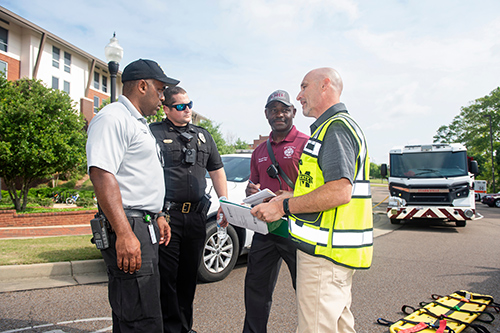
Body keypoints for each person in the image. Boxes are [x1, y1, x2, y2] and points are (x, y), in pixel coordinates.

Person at [250, 68, 373, 333]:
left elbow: (339, 191)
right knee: (338, 325)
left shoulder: (335, 129)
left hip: (324, 253)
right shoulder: (333, 127)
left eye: (304, 87)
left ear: (325, 85)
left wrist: (282, 206)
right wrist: (291, 195)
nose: (299, 95)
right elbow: (325, 185)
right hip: (333, 253)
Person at [86, 58, 179, 332]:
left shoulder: (137, 123)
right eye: (160, 89)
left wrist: (158, 215)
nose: (163, 98)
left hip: (143, 223)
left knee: (140, 308)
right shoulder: (113, 117)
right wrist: (125, 234)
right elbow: (102, 175)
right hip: (129, 225)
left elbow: (139, 177)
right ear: (141, 86)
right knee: (140, 318)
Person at [150, 86, 228, 333]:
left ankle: (184, 328)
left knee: (188, 278)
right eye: (180, 106)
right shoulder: (153, 133)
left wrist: (224, 202)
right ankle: (169, 329)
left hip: (196, 217)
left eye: (189, 104)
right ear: (166, 109)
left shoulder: (203, 136)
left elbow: (216, 170)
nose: (187, 110)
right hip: (168, 217)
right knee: (167, 278)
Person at [242, 90, 308, 333]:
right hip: (265, 228)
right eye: (273, 110)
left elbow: (316, 188)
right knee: (256, 289)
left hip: (298, 228)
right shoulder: (260, 151)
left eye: (284, 109)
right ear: (266, 114)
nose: (279, 114)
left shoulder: (306, 143)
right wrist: (252, 191)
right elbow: (255, 183)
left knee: (306, 291)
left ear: (293, 112)